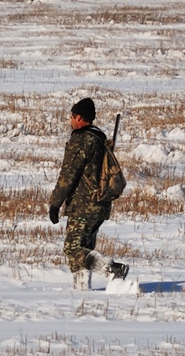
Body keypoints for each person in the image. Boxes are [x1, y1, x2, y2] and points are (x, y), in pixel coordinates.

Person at [49, 98, 129, 290]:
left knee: (72, 249)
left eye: (71, 116)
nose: (70, 120)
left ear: (79, 117)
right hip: (100, 204)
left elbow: (69, 174)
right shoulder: (99, 138)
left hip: (84, 205)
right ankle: (81, 291)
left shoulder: (82, 139)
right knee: (84, 251)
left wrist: (55, 203)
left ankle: (111, 269)